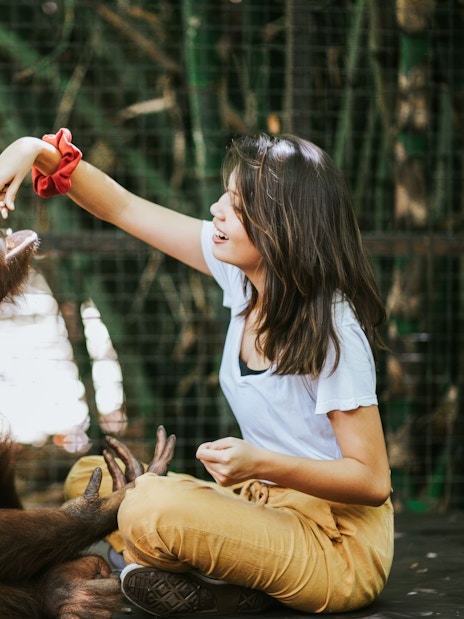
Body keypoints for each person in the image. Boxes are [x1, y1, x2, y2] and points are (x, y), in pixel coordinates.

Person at [0, 130, 394, 616]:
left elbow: (372, 481)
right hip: (261, 508)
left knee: (147, 507)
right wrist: (33, 151)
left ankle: (188, 571)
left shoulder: (331, 326)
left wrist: (260, 463)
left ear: (281, 228)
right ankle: (225, 584)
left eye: (235, 205)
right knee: (94, 478)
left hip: (336, 544)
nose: (215, 210)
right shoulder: (245, 278)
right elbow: (121, 207)